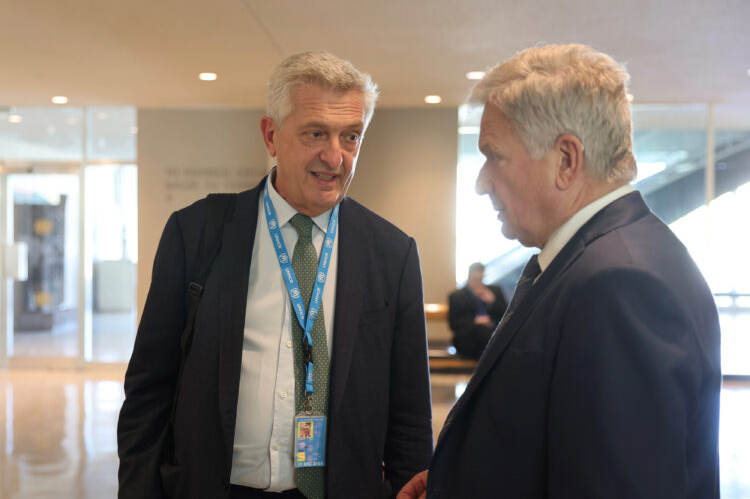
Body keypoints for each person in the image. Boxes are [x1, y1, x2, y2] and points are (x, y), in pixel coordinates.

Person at [399, 43, 721, 498]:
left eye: (494, 155)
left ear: (566, 160)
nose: (480, 181)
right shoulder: (601, 260)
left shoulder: (618, 284)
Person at [118, 51, 433, 499]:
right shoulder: (196, 233)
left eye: (351, 136)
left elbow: (410, 414)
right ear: (271, 134)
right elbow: (149, 389)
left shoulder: (393, 253)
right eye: (316, 133)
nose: (335, 156)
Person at [447, 262, 507, 359]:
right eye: (475, 279)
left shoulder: (494, 291)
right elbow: (454, 324)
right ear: (469, 276)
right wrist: (476, 321)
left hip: (492, 334)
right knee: (482, 331)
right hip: (467, 338)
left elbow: (507, 316)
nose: (478, 282)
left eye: (480, 279)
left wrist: (492, 302)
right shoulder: (456, 296)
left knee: (489, 337)